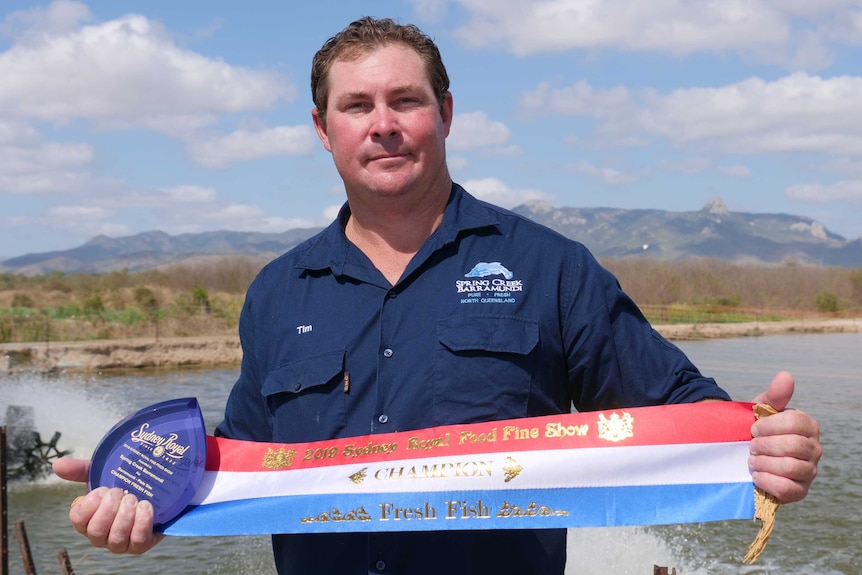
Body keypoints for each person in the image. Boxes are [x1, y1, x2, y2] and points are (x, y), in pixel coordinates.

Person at [54, 16, 821, 575]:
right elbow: (248, 459)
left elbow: (681, 407)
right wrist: (150, 493)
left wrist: (760, 443)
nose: (382, 125)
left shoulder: (551, 267)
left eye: (405, 101)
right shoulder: (276, 292)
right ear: (324, 129)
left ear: (445, 114)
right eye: (357, 106)